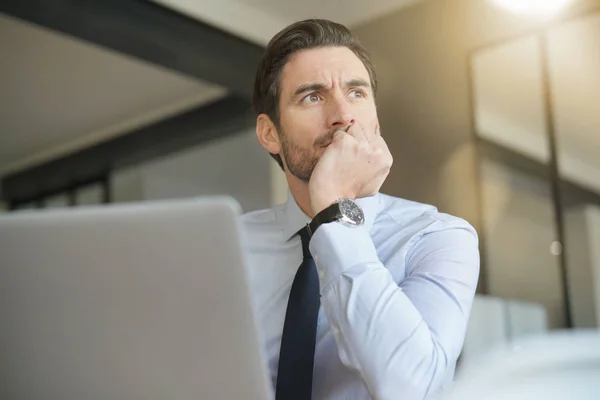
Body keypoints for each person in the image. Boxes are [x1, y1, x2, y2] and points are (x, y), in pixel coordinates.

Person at [241, 19, 480, 400]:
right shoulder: (229, 248)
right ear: (270, 133)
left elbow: (412, 389)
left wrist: (335, 213)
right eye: (312, 97)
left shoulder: (438, 237)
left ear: (376, 123)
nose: (342, 115)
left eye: (356, 93)